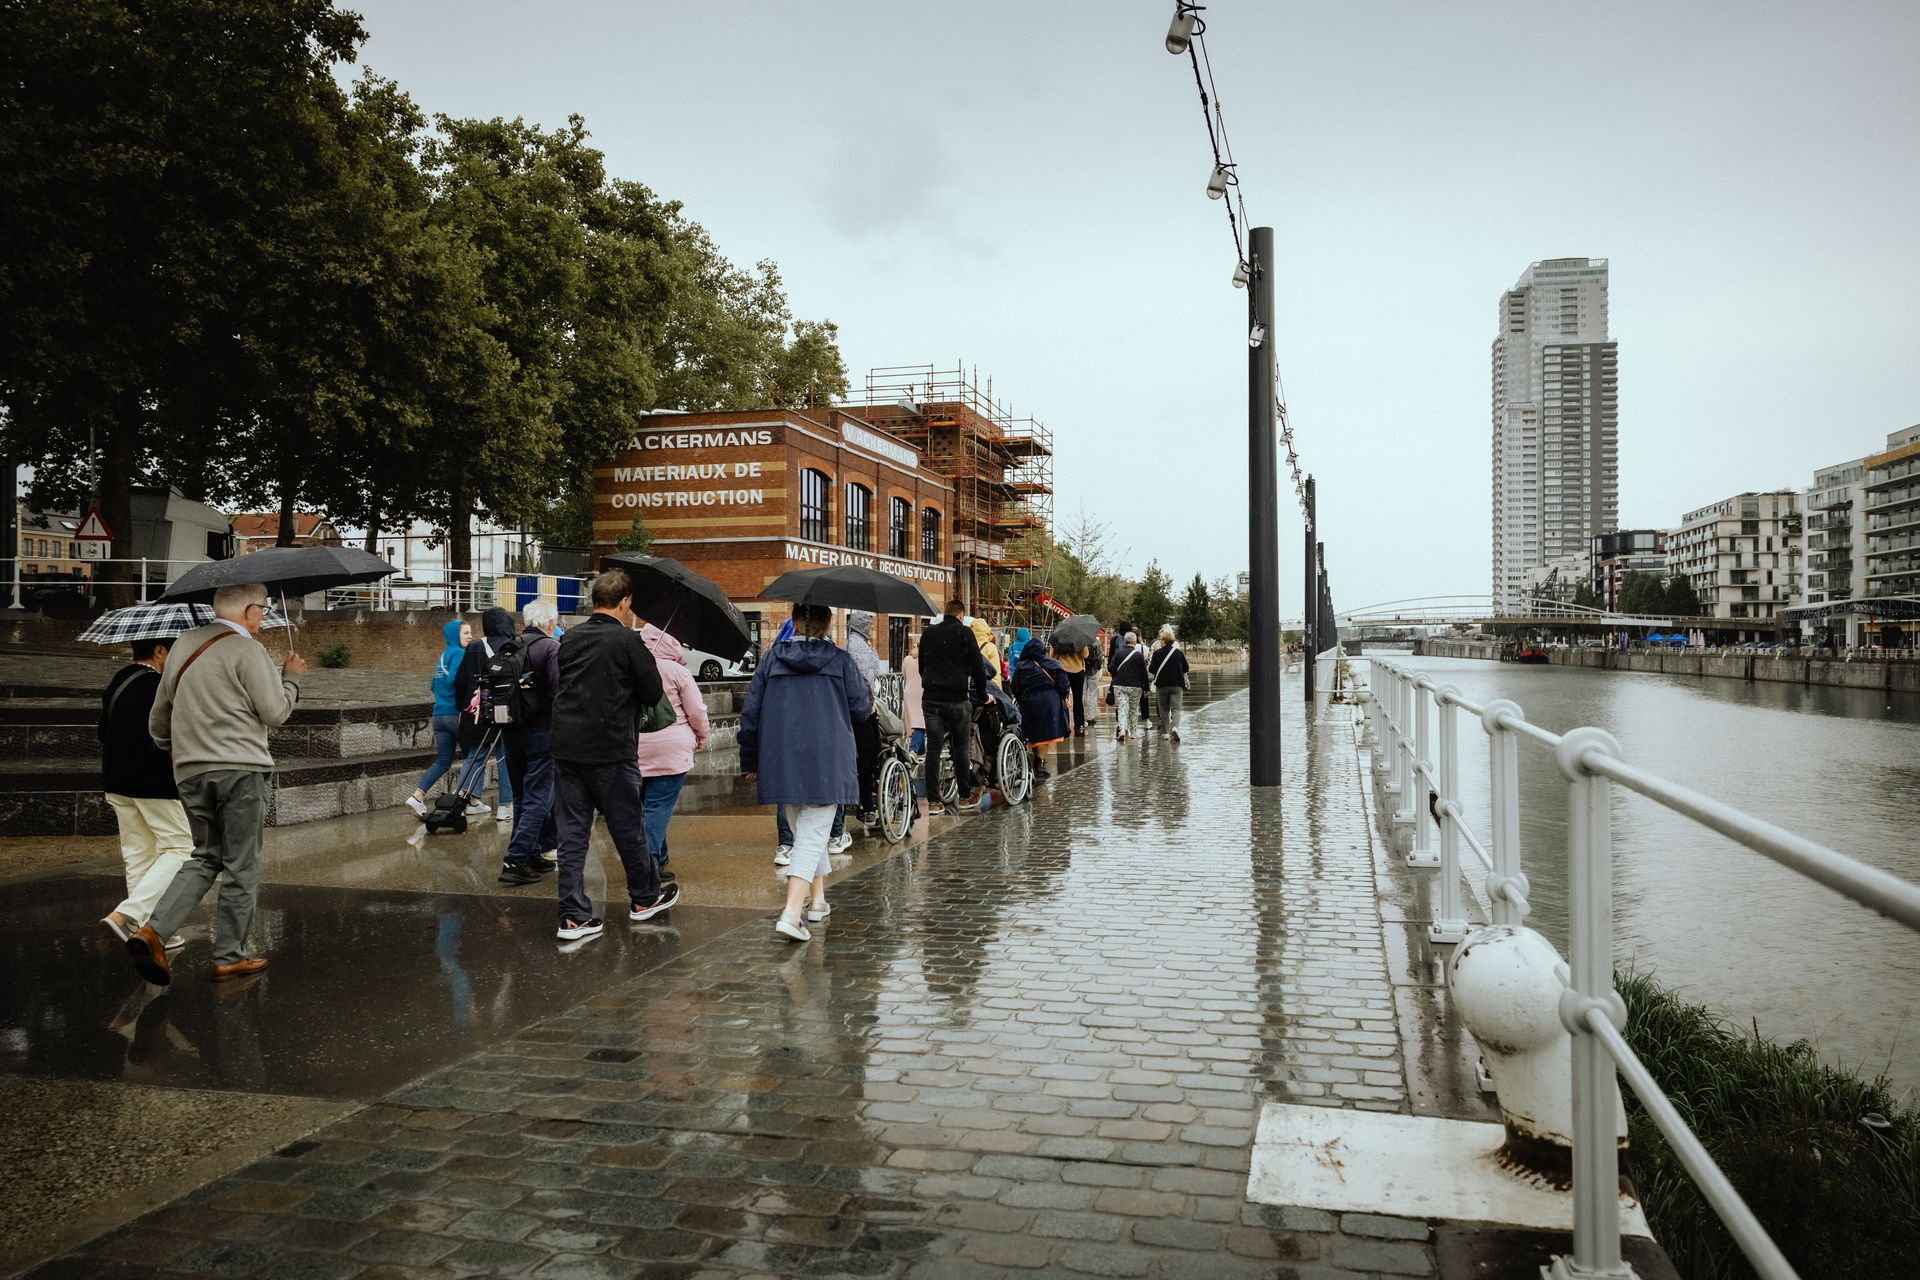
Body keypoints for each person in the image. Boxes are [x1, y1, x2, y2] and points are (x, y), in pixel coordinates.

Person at [125, 583, 306, 985]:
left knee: (206, 856)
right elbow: (275, 712)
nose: (263, 616)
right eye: (261, 609)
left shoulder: (184, 644)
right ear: (246, 611)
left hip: (190, 771)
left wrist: (184, 751)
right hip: (239, 770)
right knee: (242, 864)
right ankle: (230, 956)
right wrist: (291, 678)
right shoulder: (248, 650)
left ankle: (152, 931)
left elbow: (159, 719)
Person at [547, 568, 677, 941]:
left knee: (571, 834)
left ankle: (572, 917)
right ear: (624, 603)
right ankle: (644, 898)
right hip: (610, 749)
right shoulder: (627, 641)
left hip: (567, 749)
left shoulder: (569, 638)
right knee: (627, 827)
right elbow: (652, 693)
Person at [739, 603, 870, 943]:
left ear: (794, 622)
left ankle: (819, 900)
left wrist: (750, 759)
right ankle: (792, 913)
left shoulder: (770, 659)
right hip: (828, 759)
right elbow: (860, 709)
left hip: (781, 758)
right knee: (812, 837)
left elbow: (750, 713)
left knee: (805, 836)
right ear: (826, 626)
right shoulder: (841, 660)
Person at [98, 637, 192, 951]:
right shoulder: (157, 686)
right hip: (154, 781)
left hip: (116, 779)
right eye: (173, 650)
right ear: (159, 651)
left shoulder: (120, 679)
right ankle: (129, 914)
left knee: (139, 854)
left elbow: (102, 731)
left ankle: (148, 930)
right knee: (182, 848)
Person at [635, 622, 710, 875]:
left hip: (634, 746)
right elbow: (696, 712)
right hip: (671, 747)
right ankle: (650, 864)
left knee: (645, 805)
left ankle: (660, 854)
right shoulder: (677, 671)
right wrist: (701, 736)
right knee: (658, 807)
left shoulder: (630, 667)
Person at [498, 601, 562, 886]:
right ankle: (516, 858)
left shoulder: (509, 646)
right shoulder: (550, 648)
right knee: (539, 796)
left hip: (511, 731)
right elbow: (557, 690)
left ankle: (531, 851)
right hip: (541, 731)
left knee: (522, 796)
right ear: (550, 623)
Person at [919, 598, 994, 815]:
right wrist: (981, 694)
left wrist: (932, 682)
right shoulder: (965, 634)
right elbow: (979, 669)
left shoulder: (928, 633)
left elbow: (922, 667)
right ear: (961, 615)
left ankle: (933, 802)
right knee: (961, 746)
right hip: (957, 700)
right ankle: (963, 796)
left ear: (945, 613)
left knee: (933, 747)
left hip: (931, 700)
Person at [455, 606, 517, 821]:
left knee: (476, 755)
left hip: (476, 710)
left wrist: (461, 707)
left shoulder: (474, 647)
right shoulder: (513, 646)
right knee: (505, 758)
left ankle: (462, 801)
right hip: (505, 710)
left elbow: (461, 681)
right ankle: (506, 806)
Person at [407, 618, 471, 819]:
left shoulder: (443, 655)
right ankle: (462, 799)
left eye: (471, 632)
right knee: (473, 758)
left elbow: (434, 685)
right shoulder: (459, 653)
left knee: (443, 760)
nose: (470, 636)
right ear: (455, 635)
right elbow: (454, 679)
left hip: (439, 715)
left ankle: (417, 796)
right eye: (466, 633)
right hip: (455, 714)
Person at [1010, 638, 1070, 781]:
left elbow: (1015, 687)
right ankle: (1039, 763)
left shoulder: (1021, 667)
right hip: (1050, 703)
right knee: (1047, 735)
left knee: (1033, 733)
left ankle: (1036, 761)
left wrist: (1020, 699)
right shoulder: (1053, 664)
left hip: (1029, 702)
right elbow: (1064, 685)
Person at [846, 611, 884, 828]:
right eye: (869, 624)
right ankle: (868, 805)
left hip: (844, 712)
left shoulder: (844, 646)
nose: (871, 628)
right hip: (864, 711)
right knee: (868, 758)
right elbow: (869, 681)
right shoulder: (864, 651)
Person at [1148, 623, 1192, 743]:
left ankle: (1165, 733)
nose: (1159, 641)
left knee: (1164, 709)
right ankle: (1175, 727)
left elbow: (1151, 670)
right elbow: (1186, 668)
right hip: (1177, 684)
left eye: (1161, 639)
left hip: (1162, 685)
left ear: (1164, 641)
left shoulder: (1157, 654)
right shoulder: (1178, 653)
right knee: (1176, 708)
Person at [1109, 630, 1150, 743]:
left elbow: (1111, 668)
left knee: (1122, 708)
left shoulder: (1118, 653)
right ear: (1135, 641)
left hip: (1120, 685)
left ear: (1125, 641)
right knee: (1133, 709)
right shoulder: (1138, 655)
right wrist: (1146, 688)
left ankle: (1122, 729)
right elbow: (1144, 673)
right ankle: (1133, 733)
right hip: (1135, 686)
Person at [1051, 635, 1088, 737]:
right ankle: (1079, 725)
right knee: (1078, 699)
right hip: (1077, 671)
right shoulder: (1078, 638)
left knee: (1062, 698)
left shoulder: (1057, 638)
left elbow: (1051, 656)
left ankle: (1063, 725)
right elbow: (1085, 654)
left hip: (1062, 670)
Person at [902, 634, 926, 756]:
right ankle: (914, 749)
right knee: (921, 723)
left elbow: (904, 676)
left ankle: (921, 753)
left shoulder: (907, 659)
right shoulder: (926, 659)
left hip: (909, 692)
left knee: (914, 722)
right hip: (921, 692)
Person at [968, 616, 1002, 688]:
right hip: (988, 688)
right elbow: (996, 674)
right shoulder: (990, 647)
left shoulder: (968, 646)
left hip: (971, 688)